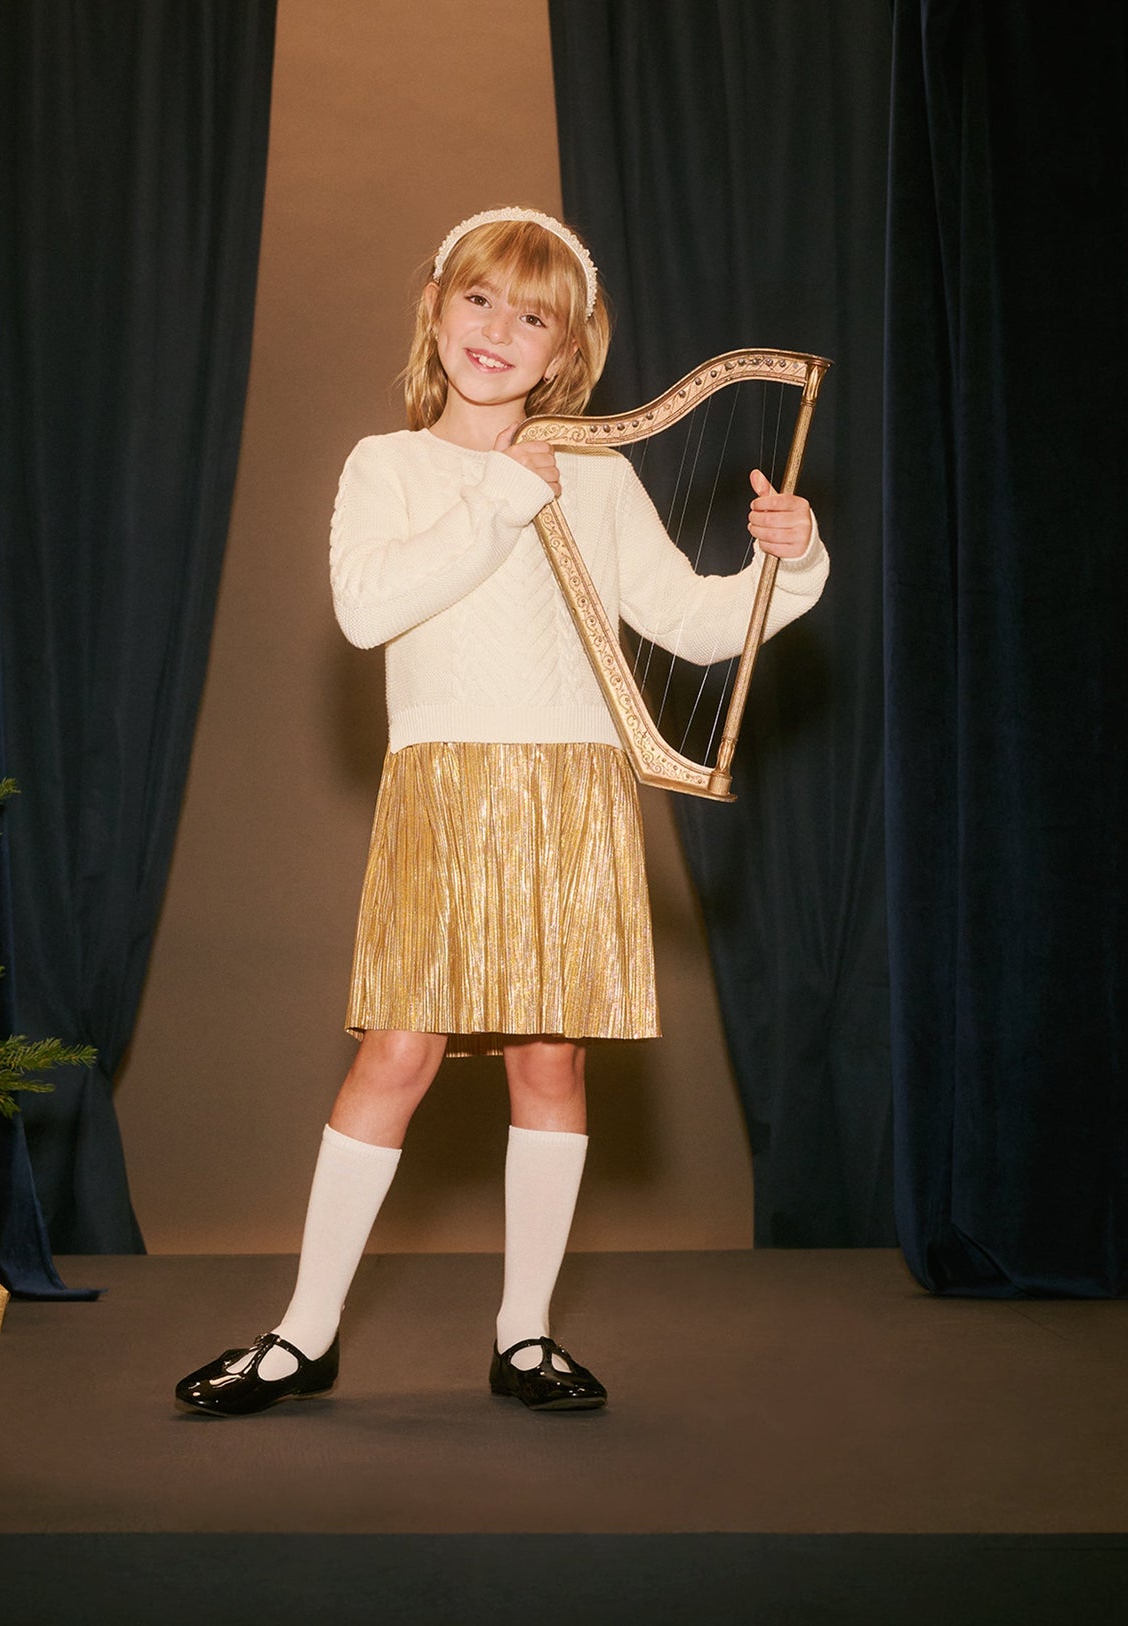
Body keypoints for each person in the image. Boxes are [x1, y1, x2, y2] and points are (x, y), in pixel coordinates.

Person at [175, 206, 828, 1418]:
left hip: (573, 784)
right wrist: (496, 497)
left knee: (550, 1058)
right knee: (397, 1050)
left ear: (566, 350)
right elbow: (367, 611)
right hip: (442, 782)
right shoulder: (389, 466)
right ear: (434, 305)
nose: (499, 330)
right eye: (480, 300)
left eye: (533, 315)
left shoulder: (601, 473)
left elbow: (689, 623)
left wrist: (787, 566)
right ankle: (303, 1334)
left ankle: (523, 1337)